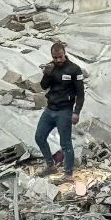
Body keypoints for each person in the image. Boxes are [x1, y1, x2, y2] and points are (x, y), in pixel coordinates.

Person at [35, 42, 85, 183]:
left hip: (65, 110)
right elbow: (43, 86)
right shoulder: (51, 67)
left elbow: (80, 94)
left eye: (60, 57)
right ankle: (50, 165)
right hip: (50, 109)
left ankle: (68, 174)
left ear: (64, 54)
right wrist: (46, 74)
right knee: (39, 137)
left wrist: (76, 112)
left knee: (65, 143)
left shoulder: (74, 70)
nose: (57, 60)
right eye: (55, 57)